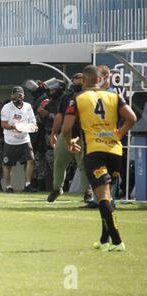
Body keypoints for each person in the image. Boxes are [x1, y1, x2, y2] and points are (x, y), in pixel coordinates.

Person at [62, 65, 137, 252]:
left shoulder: (78, 98)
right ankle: (104, 240)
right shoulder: (114, 96)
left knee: (102, 195)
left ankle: (118, 241)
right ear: (100, 79)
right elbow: (132, 118)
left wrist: (69, 141)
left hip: (94, 151)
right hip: (114, 151)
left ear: (85, 80)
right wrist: (118, 134)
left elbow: (66, 128)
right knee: (107, 194)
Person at [48, 73, 92, 203]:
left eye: (81, 79)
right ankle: (57, 188)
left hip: (82, 134)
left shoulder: (89, 96)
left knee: (83, 165)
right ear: (72, 81)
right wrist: (54, 134)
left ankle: (87, 192)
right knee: (59, 162)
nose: (78, 82)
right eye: (76, 79)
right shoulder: (66, 98)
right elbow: (59, 116)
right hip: (65, 134)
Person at [1, 86, 38, 193]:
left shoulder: (27, 106)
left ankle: (28, 184)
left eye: (20, 95)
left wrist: (34, 127)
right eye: (16, 95)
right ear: (12, 96)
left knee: (30, 160)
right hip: (10, 140)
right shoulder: (6, 107)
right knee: (8, 164)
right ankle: (8, 187)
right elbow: (3, 124)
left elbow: (33, 121)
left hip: (24, 139)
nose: (18, 97)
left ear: (24, 96)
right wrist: (14, 127)